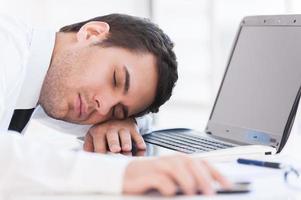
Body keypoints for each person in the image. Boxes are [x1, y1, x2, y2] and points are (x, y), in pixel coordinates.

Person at [0, 13, 231, 196]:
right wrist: (125, 173)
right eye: (116, 79)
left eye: (116, 110)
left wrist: (123, 121)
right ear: (92, 33)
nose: (102, 107)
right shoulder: (7, 45)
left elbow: (144, 119)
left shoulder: (49, 85)